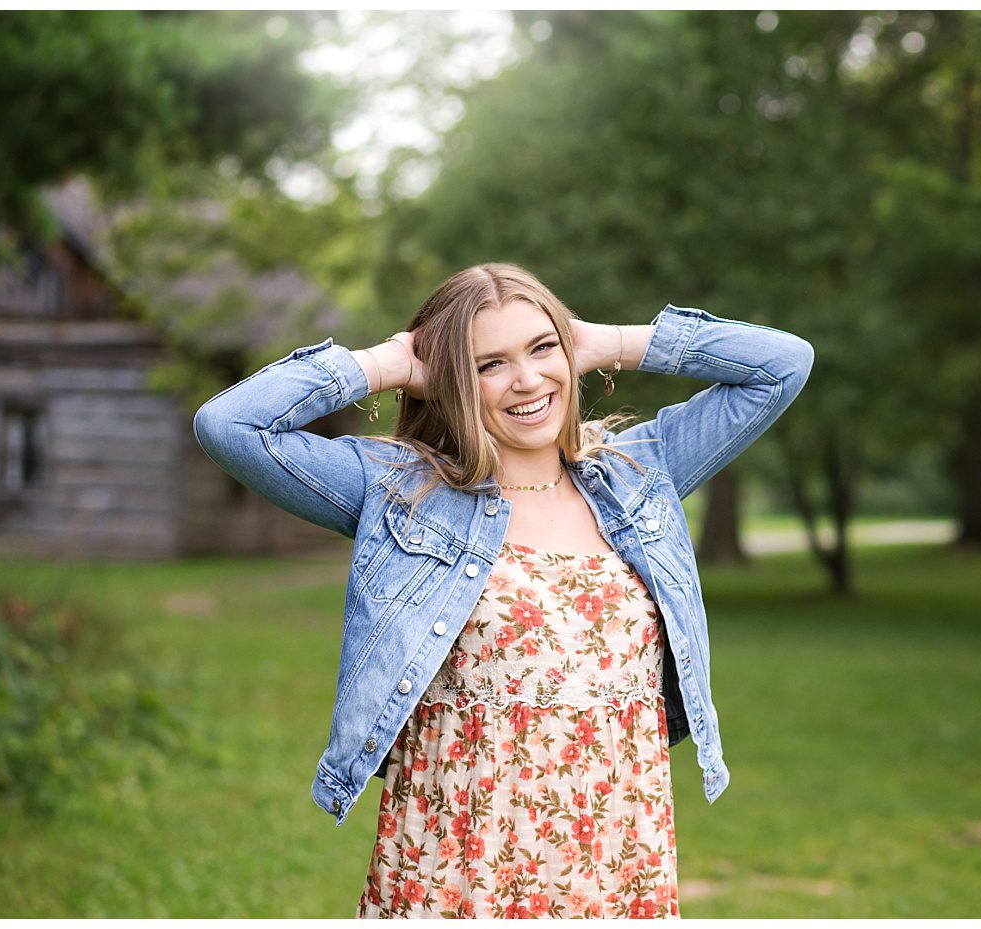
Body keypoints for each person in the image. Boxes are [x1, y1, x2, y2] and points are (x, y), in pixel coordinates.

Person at [193, 263, 813, 917]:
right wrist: (390, 360)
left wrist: (611, 342)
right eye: (489, 363)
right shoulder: (404, 490)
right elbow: (229, 425)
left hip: (617, 852)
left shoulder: (639, 470)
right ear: (453, 381)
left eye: (542, 348)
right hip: (462, 856)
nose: (527, 380)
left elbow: (784, 364)